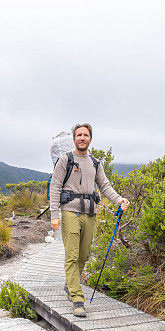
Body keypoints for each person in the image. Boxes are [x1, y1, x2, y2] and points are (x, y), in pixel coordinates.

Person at [49, 123, 129, 317]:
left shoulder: (95, 163)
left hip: (90, 214)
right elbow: (55, 186)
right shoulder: (64, 160)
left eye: (85, 135)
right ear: (74, 139)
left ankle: (70, 284)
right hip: (69, 212)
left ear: (90, 139)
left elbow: (105, 186)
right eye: (79, 135)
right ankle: (77, 299)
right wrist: (54, 214)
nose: (82, 138)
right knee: (72, 254)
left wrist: (119, 199)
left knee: (83, 255)